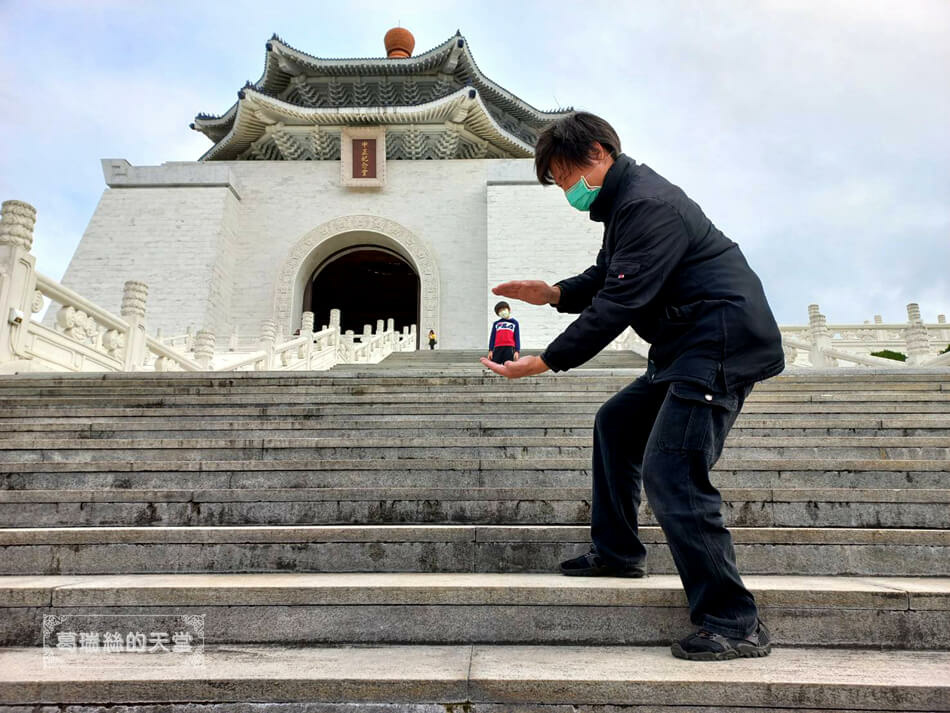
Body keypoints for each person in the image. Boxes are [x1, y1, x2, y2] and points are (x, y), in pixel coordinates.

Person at [479, 112, 785, 661]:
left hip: (717, 343)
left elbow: (620, 303)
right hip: (684, 344)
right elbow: (606, 277)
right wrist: (550, 292)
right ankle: (617, 551)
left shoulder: (647, 204)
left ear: (599, 152)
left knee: (674, 473)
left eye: (566, 174)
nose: (566, 190)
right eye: (556, 181)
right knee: (617, 423)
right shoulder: (625, 206)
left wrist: (547, 360)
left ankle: (735, 621)